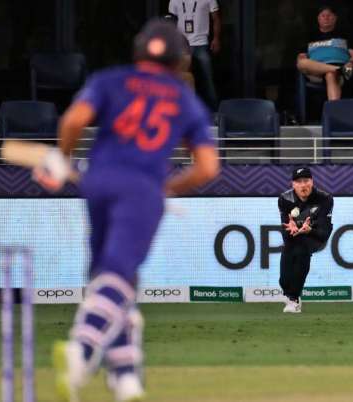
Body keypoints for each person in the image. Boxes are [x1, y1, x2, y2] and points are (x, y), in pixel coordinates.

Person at [34, 19, 220, 402]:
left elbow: (73, 120)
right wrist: (165, 187)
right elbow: (207, 167)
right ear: (178, 61)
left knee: (111, 276)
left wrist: (59, 158)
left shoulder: (110, 79)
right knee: (118, 273)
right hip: (141, 187)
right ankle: (82, 350)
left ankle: (125, 375)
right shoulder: (183, 98)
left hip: (98, 182)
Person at [278, 167, 333, 313]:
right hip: (295, 236)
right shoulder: (285, 199)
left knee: (302, 249)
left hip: (315, 236)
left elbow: (324, 231)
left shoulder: (325, 198)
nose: (303, 185)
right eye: (299, 182)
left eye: (306, 181)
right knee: (284, 280)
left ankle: (294, 299)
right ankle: (290, 293)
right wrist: (291, 230)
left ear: (312, 182)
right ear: (293, 184)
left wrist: (310, 230)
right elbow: (285, 229)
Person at [296, 5, 353, 101]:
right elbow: (301, 57)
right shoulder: (310, 36)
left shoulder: (344, 34)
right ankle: (338, 70)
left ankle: (334, 112)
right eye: (323, 15)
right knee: (301, 62)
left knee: (330, 74)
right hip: (316, 71)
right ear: (318, 18)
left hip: (340, 67)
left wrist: (351, 63)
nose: (326, 18)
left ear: (335, 18)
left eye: (329, 15)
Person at [168, 0, 221, 111]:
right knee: (183, 79)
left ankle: (215, 114)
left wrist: (216, 38)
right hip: (182, 45)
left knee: (208, 80)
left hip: (201, 43)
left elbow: (216, 19)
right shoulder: (174, 1)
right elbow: (171, 22)